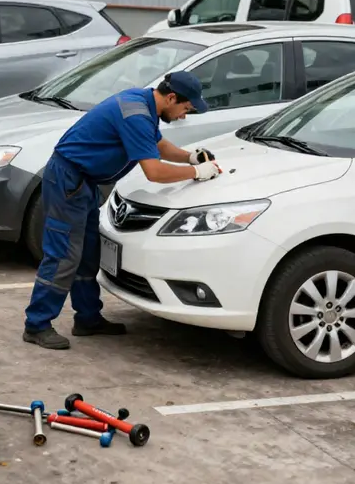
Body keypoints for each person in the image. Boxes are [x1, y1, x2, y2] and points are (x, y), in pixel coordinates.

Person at [22, 71, 222, 350]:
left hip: (82, 182)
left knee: (89, 252)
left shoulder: (143, 103)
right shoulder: (136, 115)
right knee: (64, 254)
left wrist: (189, 156)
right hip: (68, 180)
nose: (184, 115)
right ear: (172, 97)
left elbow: (158, 145)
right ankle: (37, 324)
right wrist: (196, 171)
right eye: (185, 108)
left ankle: (88, 319)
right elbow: (153, 171)